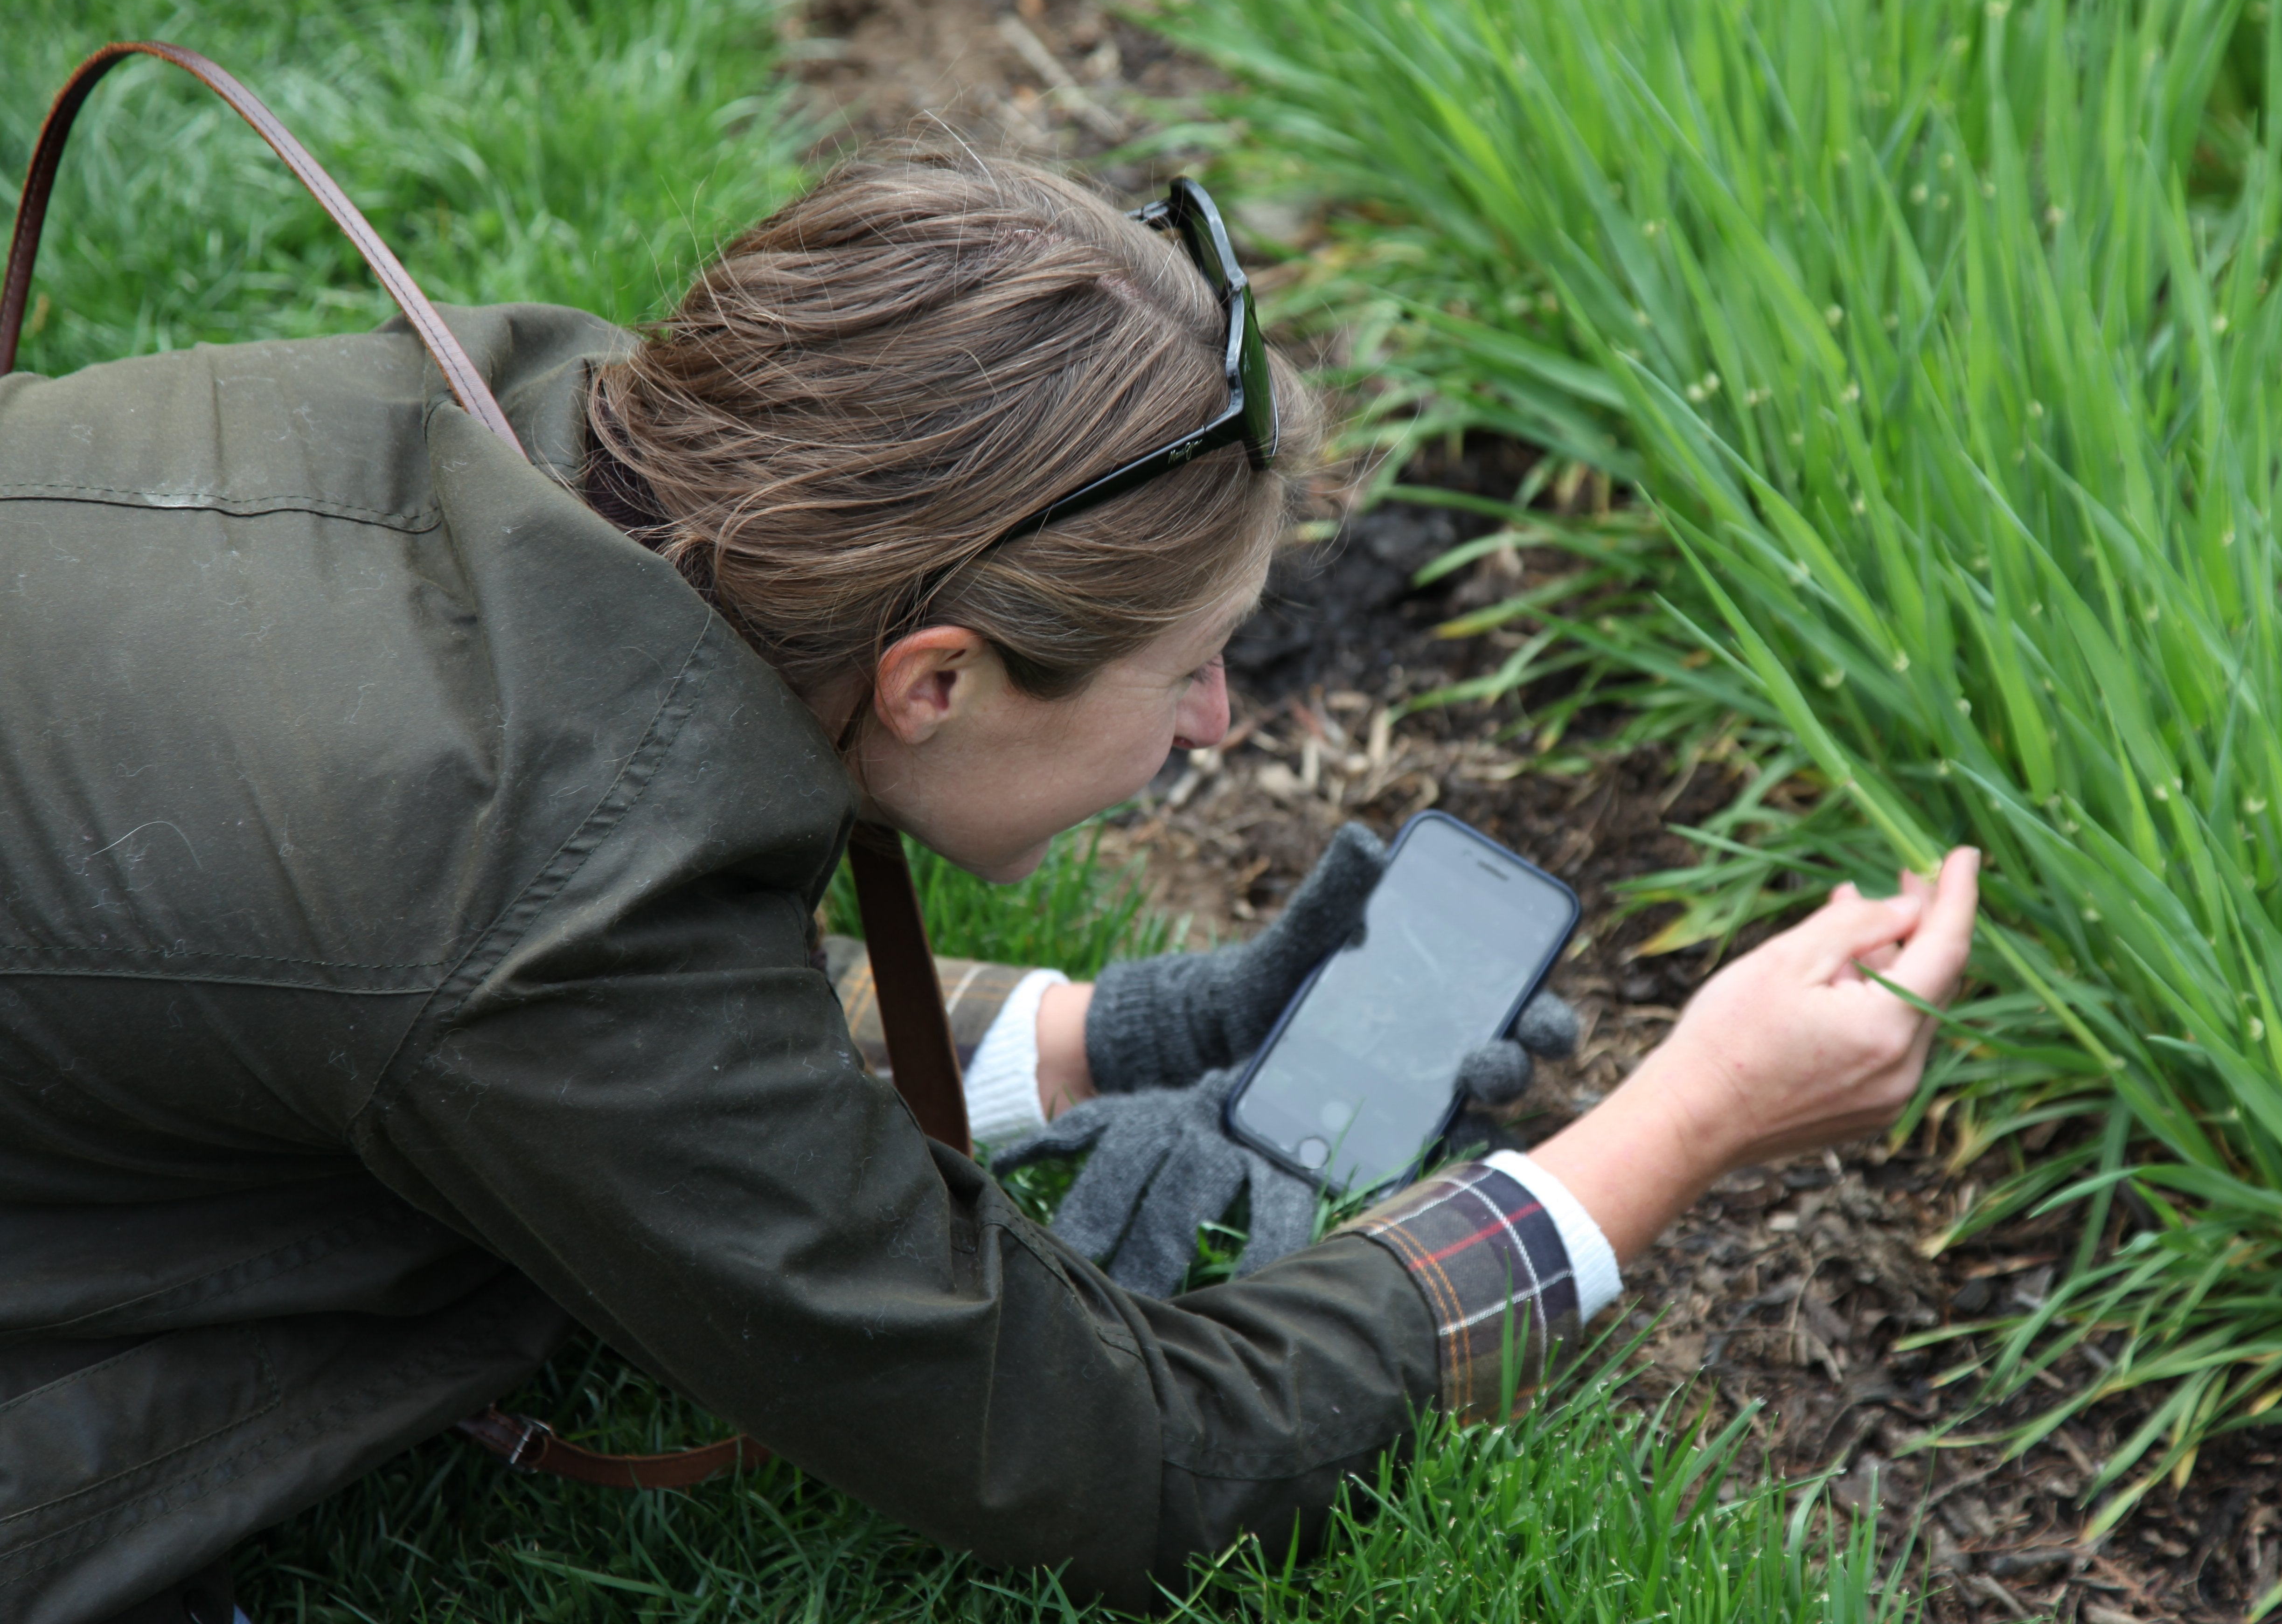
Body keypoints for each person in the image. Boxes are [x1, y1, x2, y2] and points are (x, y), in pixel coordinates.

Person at [0, 150, 1980, 1624]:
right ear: (935, 681)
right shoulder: (526, 910)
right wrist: (1684, 1125)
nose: (1215, 721)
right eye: (1187, 666)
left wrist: (1128, 1032)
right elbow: (1141, 1460)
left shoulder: (524, 431)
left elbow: (561, 972)